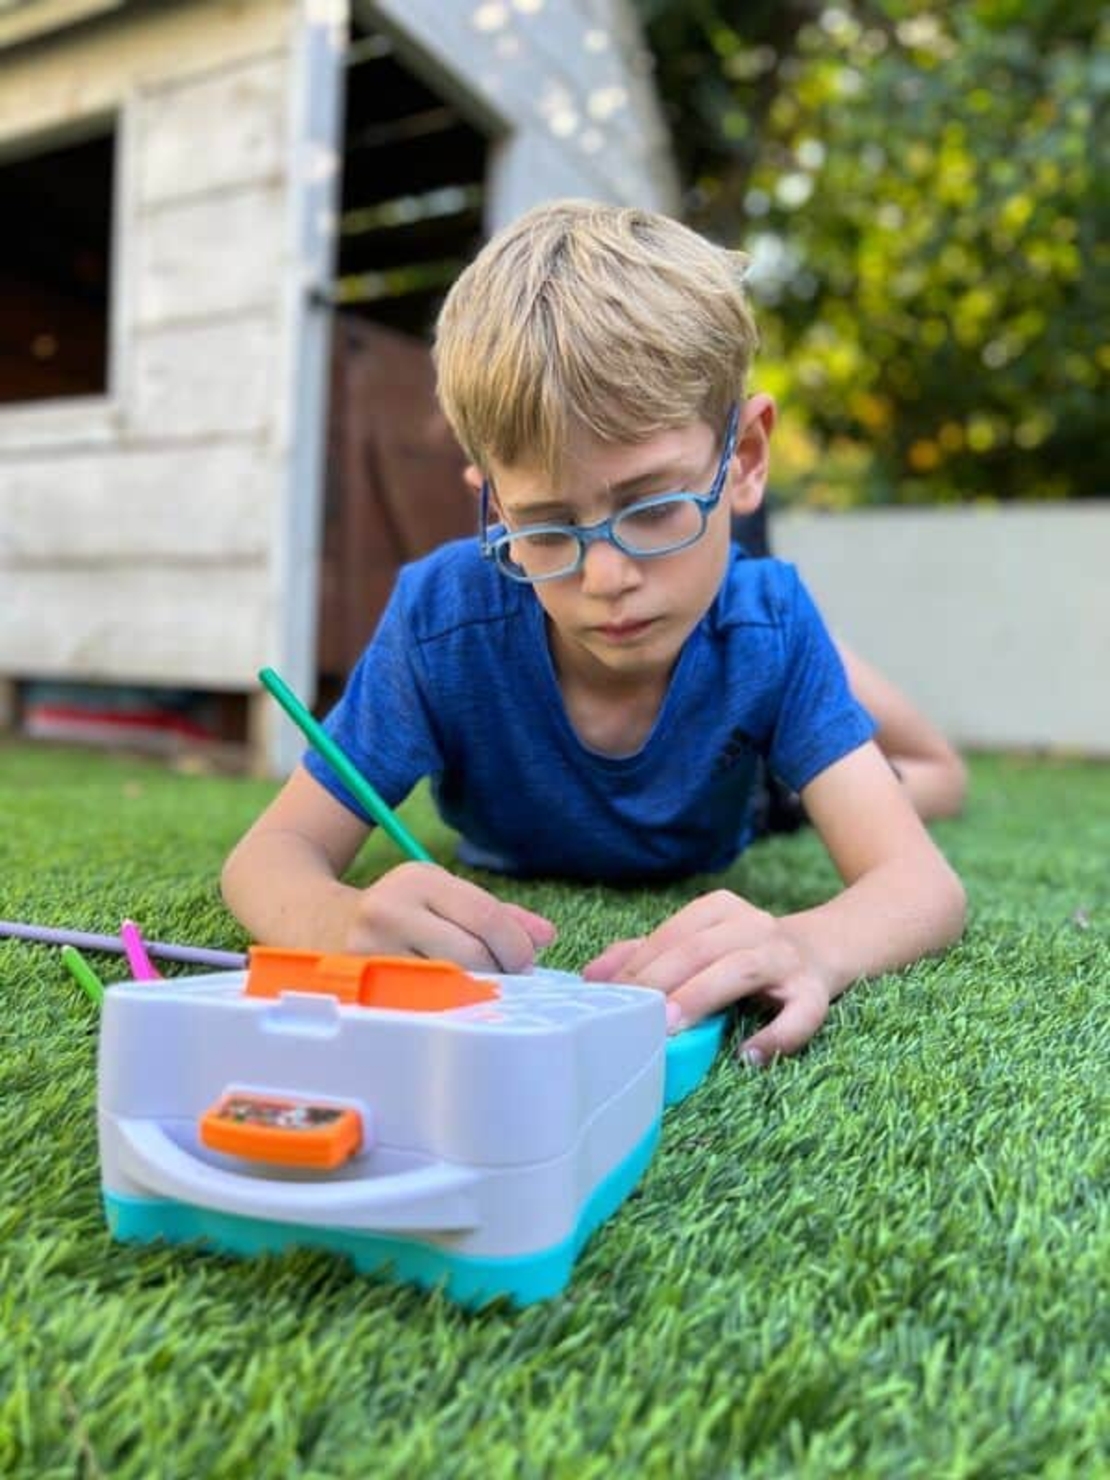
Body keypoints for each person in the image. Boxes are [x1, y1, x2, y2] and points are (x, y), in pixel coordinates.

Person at [222, 199, 966, 1065]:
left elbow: (922, 887)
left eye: (653, 508)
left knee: (901, 749)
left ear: (747, 461)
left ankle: (819, 721)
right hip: (716, 673)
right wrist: (338, 919)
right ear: (493, 504)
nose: (607, 579)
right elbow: (269, 855)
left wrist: (812, 943)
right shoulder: (441, 624)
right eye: (545, 529)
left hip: (750, 791)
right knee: (757, 630)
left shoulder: (766, 629)